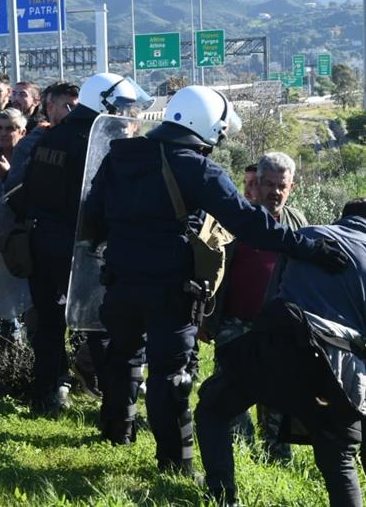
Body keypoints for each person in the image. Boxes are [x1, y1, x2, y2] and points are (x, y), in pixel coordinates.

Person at [80, 85, 348, 474]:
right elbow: (250, 223)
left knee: (122, 355)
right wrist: (309, 247)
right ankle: (175, 462)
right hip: (169, 286)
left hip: (119, 278)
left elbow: (95, 214)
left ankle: (117, 431)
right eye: (219, 132)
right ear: (205, 125)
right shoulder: (196, 166)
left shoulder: (120, 155)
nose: (220, 140)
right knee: (171, 375)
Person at [196, 198, 366, 507]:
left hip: (278, 346)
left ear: (345, 218)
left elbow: (272, 298)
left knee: (212, 407)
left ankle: (222, 498)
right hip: (336, 367)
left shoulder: (310, 236)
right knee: (339, 456)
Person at [20, 73, 138, 413]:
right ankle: (115, 405)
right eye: (122, 106)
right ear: (104, 102)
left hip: (41, 240)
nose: (126, 113)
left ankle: (47, 394)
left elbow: (27, 191)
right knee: (98, 323)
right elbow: (102, 199)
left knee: (49, 321)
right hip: (78, 245)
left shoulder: (49, 137)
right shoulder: (98, 140)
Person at [200, 151, 307, 461]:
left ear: (291, 187)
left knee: (279, 393)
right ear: (256, 185)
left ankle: (276, 456)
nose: (275, 191)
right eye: (268, 184)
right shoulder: (234, 219)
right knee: (231, 389)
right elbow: (212, 268)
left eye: (281, 185)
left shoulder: (297, 221)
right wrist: (206, 319)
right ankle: (238, 453)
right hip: (236, 322)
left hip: (281, 327)